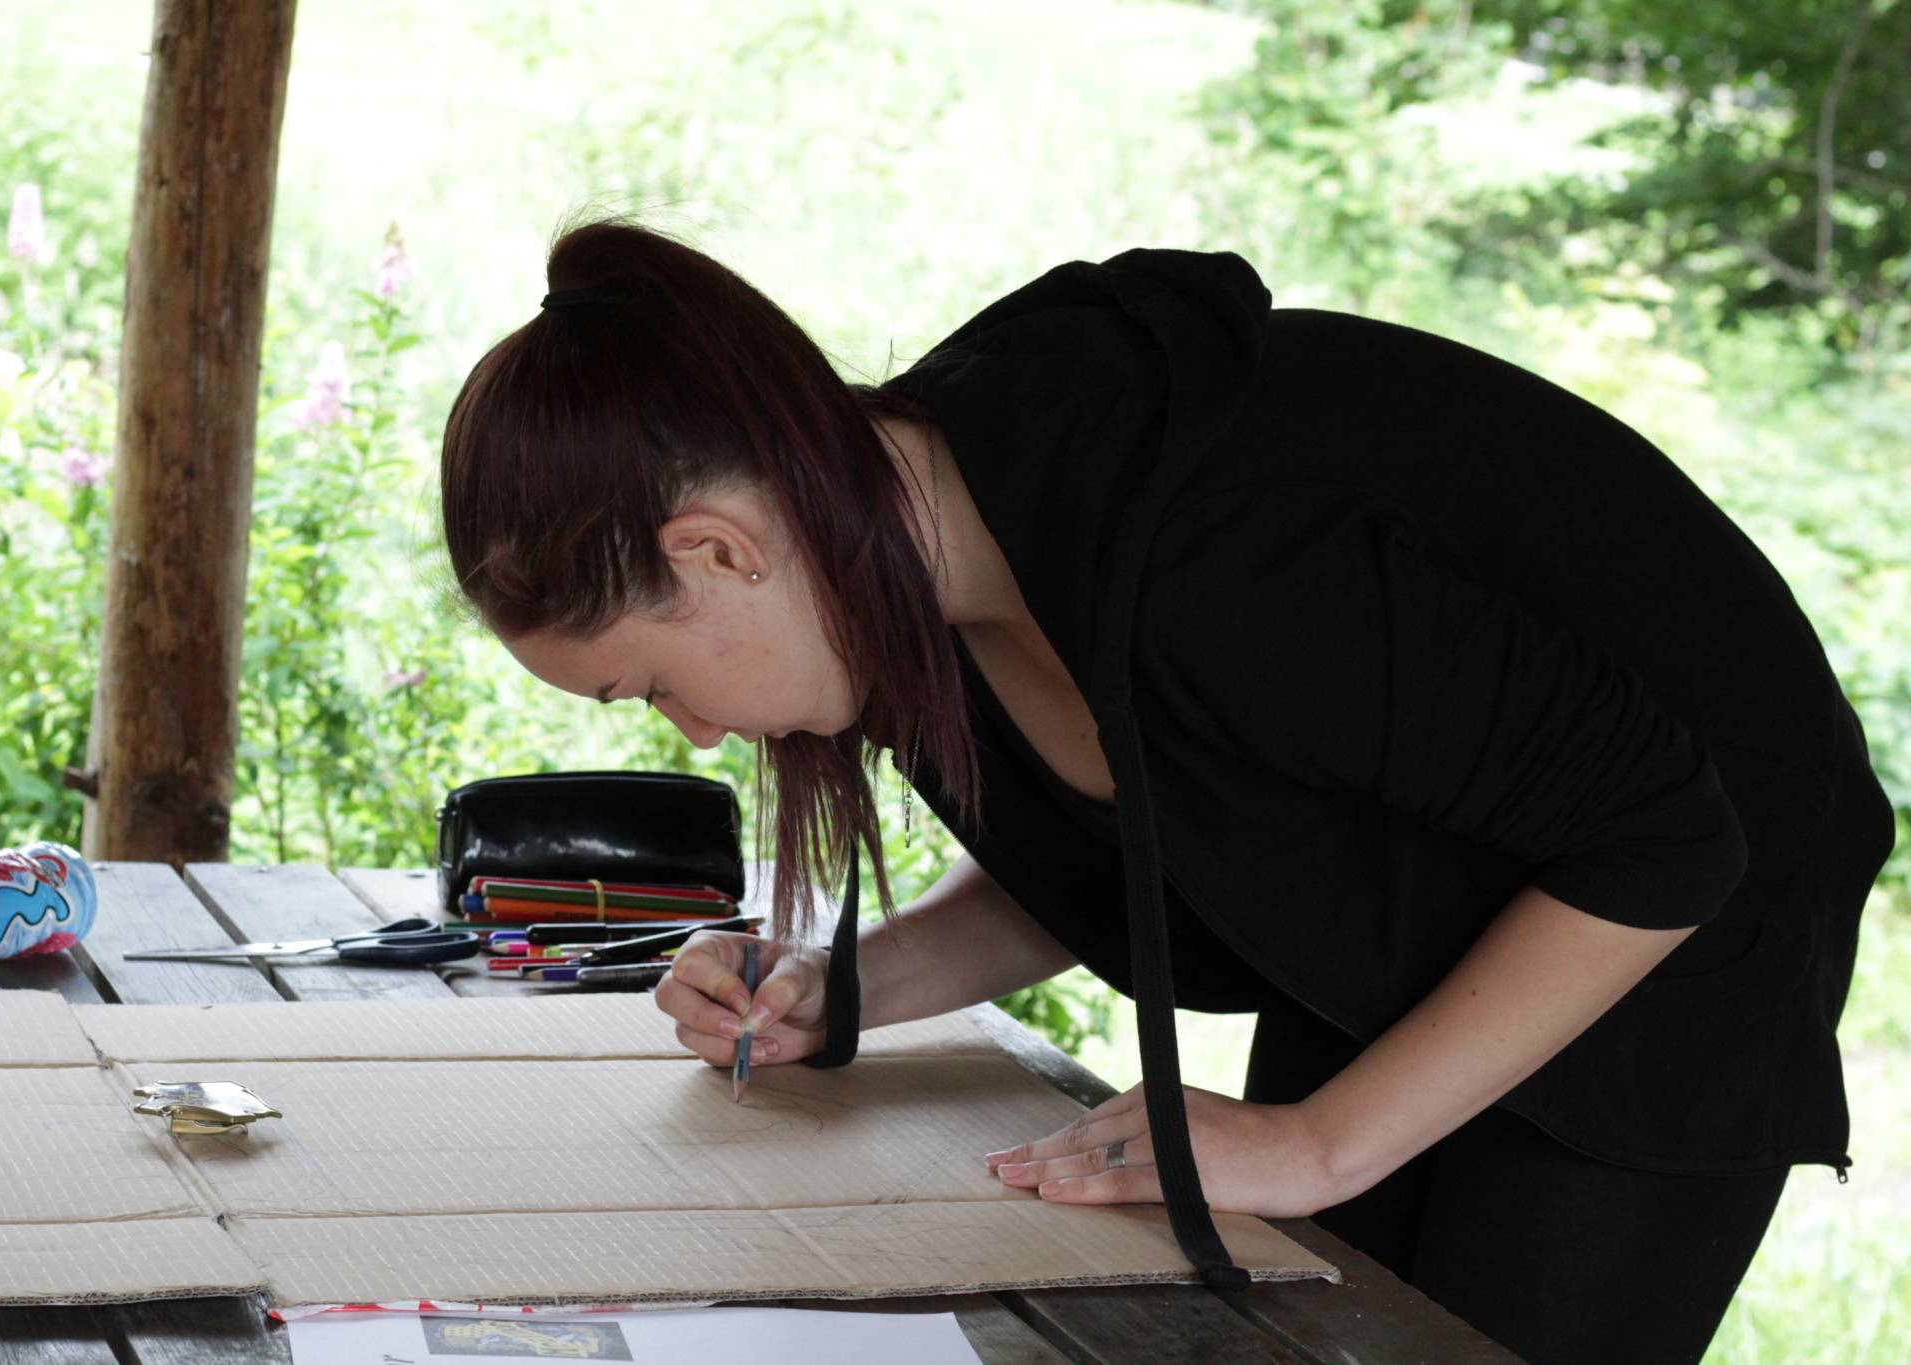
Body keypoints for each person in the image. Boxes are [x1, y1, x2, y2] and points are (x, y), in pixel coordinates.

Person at [439, 212, 1898, 1365]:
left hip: (1674, 904)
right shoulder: (932, 557)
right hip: (1416, 888)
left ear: (716, 550)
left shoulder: (1205, 552)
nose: (693, 731)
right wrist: (846, 987)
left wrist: (1321, 1141)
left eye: (646, 685)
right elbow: (1128, 833)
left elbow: (1660, 834)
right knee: (1309, 1321)